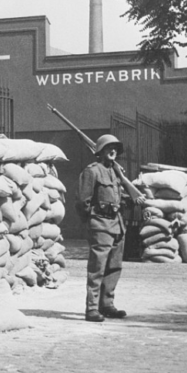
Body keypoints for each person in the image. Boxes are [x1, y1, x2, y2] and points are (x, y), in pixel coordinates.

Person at [77, 134, 143, 322]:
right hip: (100, 225)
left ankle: (106, 305)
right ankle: (91, 309)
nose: (113, 151)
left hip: (117, 225)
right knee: (97, 268)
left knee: (114, 267)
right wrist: (93, 221)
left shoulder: (115, 172)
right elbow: (83, 201)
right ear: (100, 151)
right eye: (108, 148)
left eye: (115, 148)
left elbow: (118, 197)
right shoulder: (92, 171)